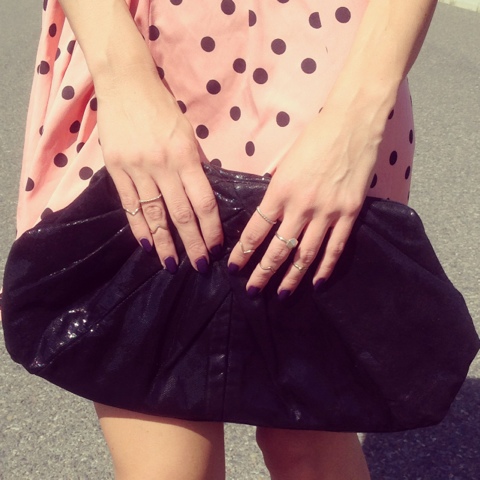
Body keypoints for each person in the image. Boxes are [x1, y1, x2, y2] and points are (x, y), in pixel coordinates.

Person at [15, 0, 437, 478]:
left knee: (309, 446)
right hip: (141, 43)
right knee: (167, 463)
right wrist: (121, 75)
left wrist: (357, 117)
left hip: (330, 62)